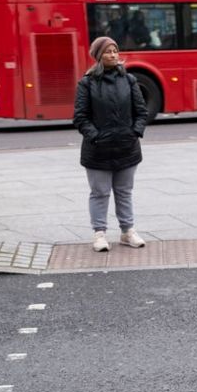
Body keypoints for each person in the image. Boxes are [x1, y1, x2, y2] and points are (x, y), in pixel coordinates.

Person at [72, 36, 148, 252]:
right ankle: (99, 234)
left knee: (124, 191)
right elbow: (80, 117)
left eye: (115, 50)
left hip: (127, 147)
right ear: (98, 56)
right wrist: (95, 136)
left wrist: (134, 133)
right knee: (100, 193)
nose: (113, 55)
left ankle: (128, 231)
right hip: (97, 150)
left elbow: (141, 112)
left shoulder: (129, 80)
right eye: (108, 51)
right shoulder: (87, 83)